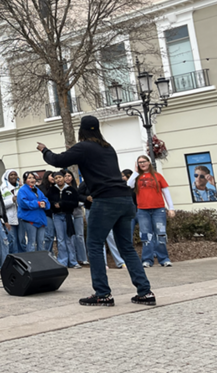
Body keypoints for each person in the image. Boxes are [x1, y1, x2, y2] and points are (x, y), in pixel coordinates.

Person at [39, 115, 155, 307]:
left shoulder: (83, 147)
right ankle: (145, 292)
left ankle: (103, 294)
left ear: (81, 130)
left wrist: (44, 150)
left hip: (106, 200)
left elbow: (58, 161)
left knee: (94, 244)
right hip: (125, 199)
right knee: (126, 247)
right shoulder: (108, 147)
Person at [129, 154, 174, 268]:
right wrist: (135, 172)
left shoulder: (158, 176)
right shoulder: (137, 178)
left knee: (161, 234)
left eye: (144, 161)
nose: (142, 164)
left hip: (158, 209)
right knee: (146, 236)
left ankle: (164, 259)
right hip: (143, 210)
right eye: (140, 162)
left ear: (149, 162)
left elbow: (166, 192)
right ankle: (147, 260)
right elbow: (128, 185)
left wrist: (171, 208)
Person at [46, 171, 81, 268]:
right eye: (56, 178)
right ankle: (62, 261)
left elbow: (75, 203)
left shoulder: (71, 189)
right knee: (60, 239)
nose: (58, 179)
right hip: (57, 216)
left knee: (70, 238)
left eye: (60, 177)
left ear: (64, 178)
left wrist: (62, 204)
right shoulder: (52, 190)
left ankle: (73, 261)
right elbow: (48, 202)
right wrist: (54, 205)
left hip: (68, 216)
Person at [16, 172, 49, 252]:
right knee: (32, 243)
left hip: (40, 220)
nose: (32, 180)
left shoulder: (37, 190)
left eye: (33, 178)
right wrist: (37, 203)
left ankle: (41, 261)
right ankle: (31, 262)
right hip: (30, 220)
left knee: (41, 242)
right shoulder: (22, 190)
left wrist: (44, 203)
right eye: (29, 178)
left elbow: (45, 199)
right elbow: (23, 203)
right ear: (25, 180)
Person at [65, 171, 88, 265]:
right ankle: (73, 259)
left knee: (80, 236)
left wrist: (76, 203)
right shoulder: (62, 189)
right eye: (65, 176)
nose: (67, 178)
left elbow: (82, 200)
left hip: (78, 213)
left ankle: (83, 258)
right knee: (71, 237)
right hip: (68, 214)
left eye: (69, 176)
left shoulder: (77, 188)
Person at [0, 170, 21, 253]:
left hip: (20, 218)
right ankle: (14, 259)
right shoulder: (3, 188)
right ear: (7, 177)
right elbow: (1, 204)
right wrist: (12, 200)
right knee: (12, 240)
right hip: (9, 218)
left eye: (15, 175)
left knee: (21, 240)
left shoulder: (20, 187)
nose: (13, 176)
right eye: (11, 175)